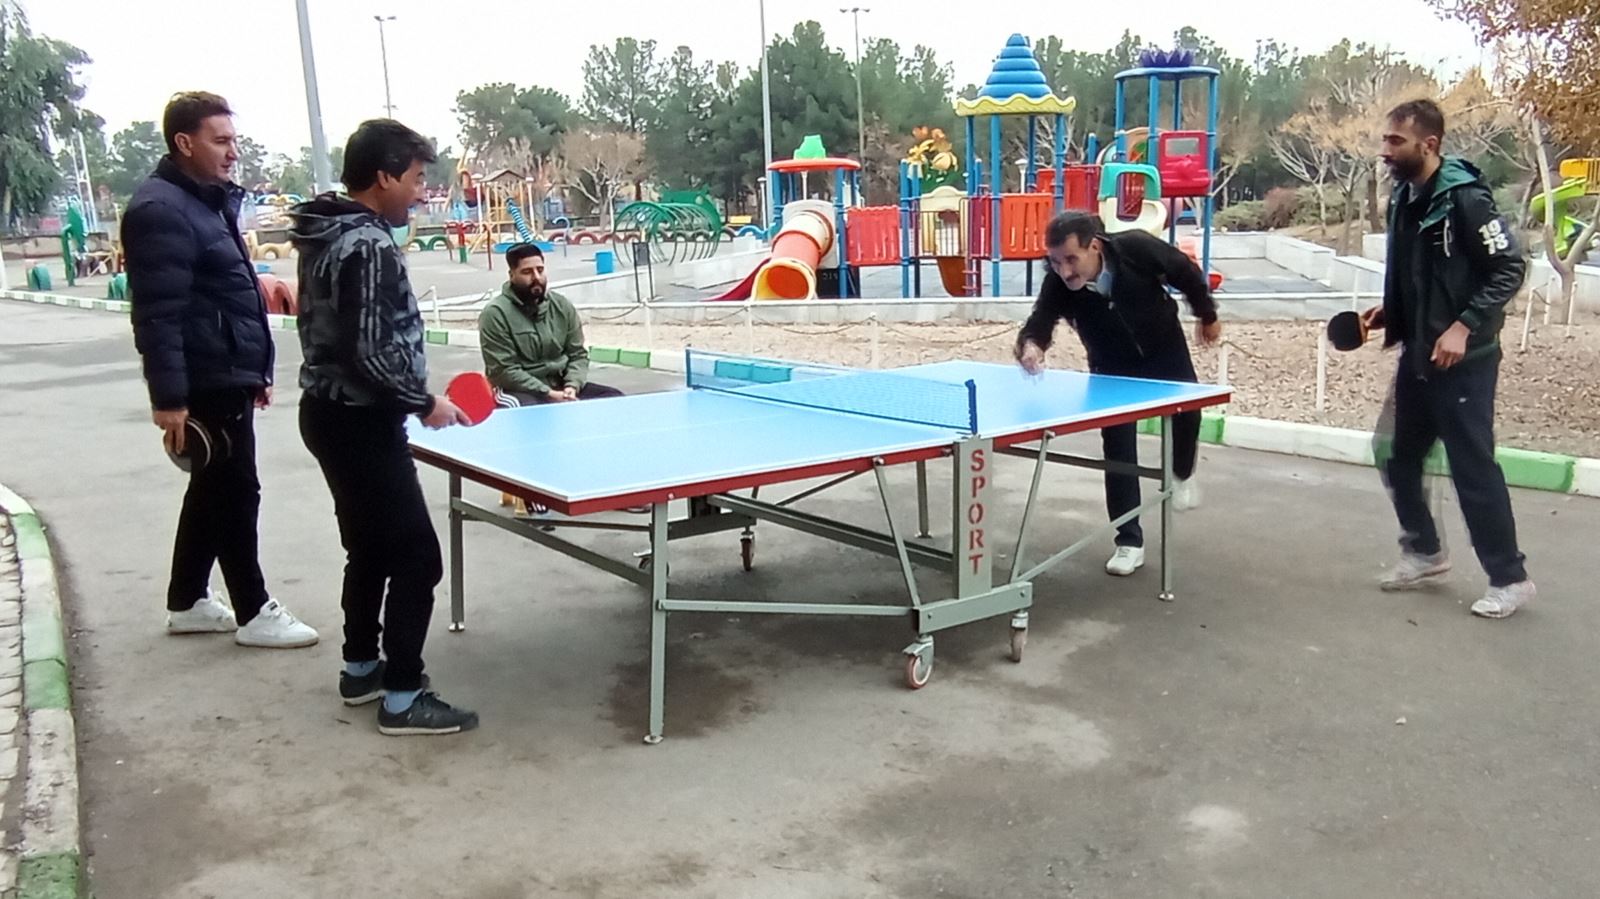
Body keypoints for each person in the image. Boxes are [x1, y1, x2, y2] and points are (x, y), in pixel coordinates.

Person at [290, 119, 479, 735]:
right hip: (362, 421)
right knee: (418, 558)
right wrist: (424, 402)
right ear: (383, 177)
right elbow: (366, 353)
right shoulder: (368, 244)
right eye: (416, 179)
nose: (421, 192)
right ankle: (402, 696)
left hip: (327, 413)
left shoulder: (327, 231)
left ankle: (361, 668)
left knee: (369, 548)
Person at [123, 91, 319, 648]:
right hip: (205, 375)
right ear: (184, 143)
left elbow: (227, 294)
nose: (233, 152)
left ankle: (187, 599)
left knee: (212, 487)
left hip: (226, 369)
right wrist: (169, 399)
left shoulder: (203, 201)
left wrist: (253, 371)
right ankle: (255, 611)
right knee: (236, 491)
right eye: (221, 141)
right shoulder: (161, 210)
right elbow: (158, 313)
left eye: (234, 140)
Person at [1362, 98, 1534, 618]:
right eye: (1385, 139)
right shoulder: (1404, 195)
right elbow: (1418, 273)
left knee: (1471, 467)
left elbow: (1509, 268)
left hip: (1466, 360)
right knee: (1395, 453)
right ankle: (1425, 553)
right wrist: (1392, 311)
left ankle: (1510, 578)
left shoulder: (1466, 199)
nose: (1385, 150)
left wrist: (1463, 326)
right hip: (1419, 352)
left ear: (1429, 144)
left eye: (1396, 141)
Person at [1014, 212, 1221, 577]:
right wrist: (1031, 346)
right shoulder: (1058, 282)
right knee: (1118, 449)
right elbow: (1040, 320)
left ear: (1094, 246)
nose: (1064, 271)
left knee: (1189, 414)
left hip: (1164, 349)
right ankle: (1129, 540)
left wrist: (1207, 315)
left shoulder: (1136, 249)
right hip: (1110, 365)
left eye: (1071, 259)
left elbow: (1184, 272)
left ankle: (1182, 472)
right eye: (1056, 261)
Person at [479, 243, 623, 407]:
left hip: (562, 386)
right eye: (527, 272)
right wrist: (548, 393)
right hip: (518, 391)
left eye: (540, 270)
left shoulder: (561, 305)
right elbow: (504, 371)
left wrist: (572, 386)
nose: (536, 277)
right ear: (512, 275)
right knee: (533, 412)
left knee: (614, 399)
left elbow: (577, 354)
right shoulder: (495, 314)